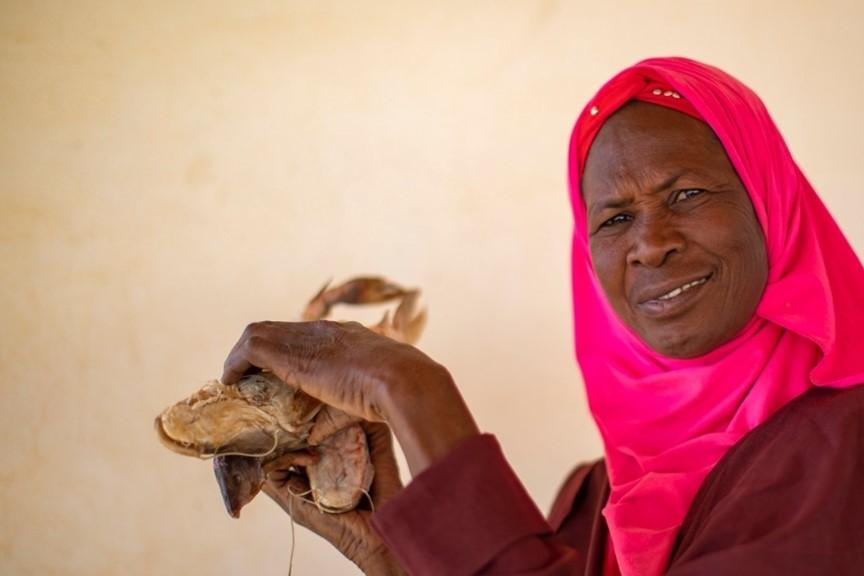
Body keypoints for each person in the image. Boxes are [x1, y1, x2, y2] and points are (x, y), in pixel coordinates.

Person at [221, 57, 864, 575]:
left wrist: (411, 391)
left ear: (771, 205)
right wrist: (390, 558)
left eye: (687, 194)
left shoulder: (844, 449)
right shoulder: (600, 498)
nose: (649, 244)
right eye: (615, 218)